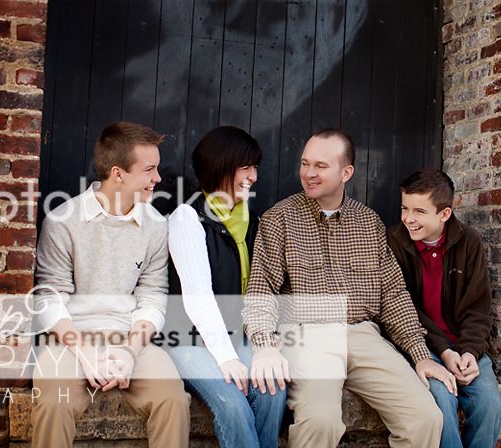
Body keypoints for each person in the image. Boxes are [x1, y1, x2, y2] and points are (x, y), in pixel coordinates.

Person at [242, 129, 453, 447]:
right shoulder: (279, 220)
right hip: (307, 337)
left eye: (321, 166)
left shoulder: (369, 223)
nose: (309, 173)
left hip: (363, 336)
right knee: (321, 422)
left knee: (426, 418)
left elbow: (393, 295)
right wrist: (264, 345)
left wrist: (420, 354)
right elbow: (260, 292)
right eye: (304, 163)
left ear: (346, 172)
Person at [31, 121, 190, 448]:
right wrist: (86, 352)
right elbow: (49, 298)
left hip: (129, 337)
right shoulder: (63, 221)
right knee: (53, 404)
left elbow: (153, 298)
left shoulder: (156, 226)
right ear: (118, 174)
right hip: (69, 340)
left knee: (173, 399)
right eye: (149, 170)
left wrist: (130, 351)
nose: (158, 179)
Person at [167, 126, 286, 447]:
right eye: (245, 168)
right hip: (187, 339)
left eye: (255, 167)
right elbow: (197, 297)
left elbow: (265, 292)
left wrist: (266, 345)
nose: (254, 176)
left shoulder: (254, 221)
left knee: (272, 389)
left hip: (238, 334)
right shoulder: (187, 218)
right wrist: (226, 358)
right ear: (220, 167)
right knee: (232, 400)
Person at [387, 168, 501, 448]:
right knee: (441, 398)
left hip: (463, 345)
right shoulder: (394, 242)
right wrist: (444, 351)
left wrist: (469, 353)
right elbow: (401, 306)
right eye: (404, 208)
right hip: (419, 343)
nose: (409, 219)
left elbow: (478, 308)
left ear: (444, 214)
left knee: (489, 403)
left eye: (419, 211)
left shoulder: (469, 242)